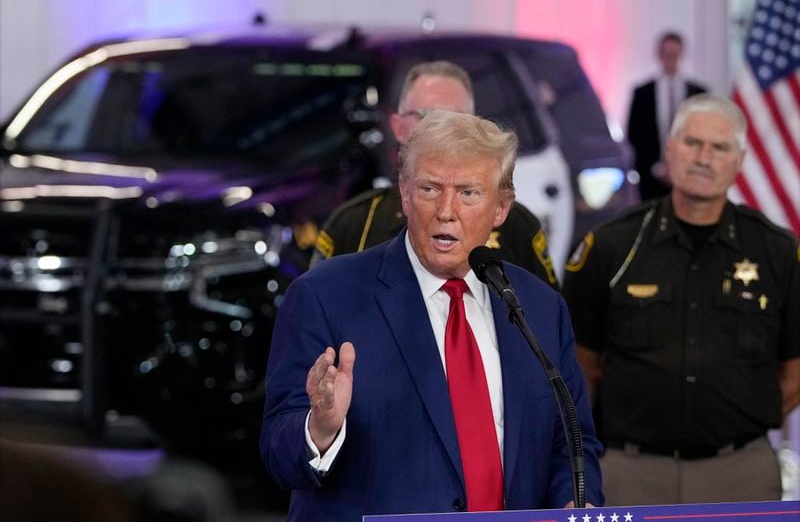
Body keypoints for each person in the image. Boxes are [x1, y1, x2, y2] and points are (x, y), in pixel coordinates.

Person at [261, 110, 603, 520]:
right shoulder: (325, 295)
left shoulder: (539, 307)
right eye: (429, 189)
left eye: (468, 193)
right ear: (405, 195)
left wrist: (574, 504)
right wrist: (320, 430)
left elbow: (573, 442)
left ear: (501, 208)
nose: (446, 210)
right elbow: (278, 454)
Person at [563, 93, 800, 505]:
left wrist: (733, 421)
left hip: (741, 472)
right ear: (669, 150)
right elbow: (583, 364)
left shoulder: (778, 252)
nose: (704, 157)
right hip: (630, 471)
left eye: (719, 147)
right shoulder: (611, 246)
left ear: (739, 160)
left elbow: (794, 373)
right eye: (692, 143)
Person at [313, 60, 559, 288]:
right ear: (397, 127)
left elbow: (545, 319)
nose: (441, 129)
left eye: (455, 118)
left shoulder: (517, 226)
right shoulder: (354, 225)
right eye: (426, 116)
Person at [627, 31, 706, 202]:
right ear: (659, 55)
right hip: (651, 180)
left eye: (675, 54)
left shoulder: (699, 93)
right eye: (667, 54)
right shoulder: (642, 94)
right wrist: (658, 168)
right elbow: (634, 136)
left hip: (691, 177)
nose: (671, 59)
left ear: (682, 54)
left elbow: (704, 135)